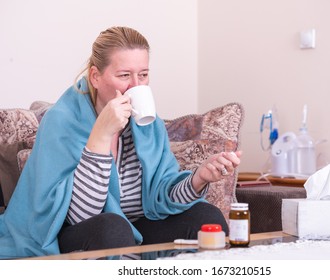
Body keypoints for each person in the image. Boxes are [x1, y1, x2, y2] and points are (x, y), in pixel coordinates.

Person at [0, 26, 241, 258]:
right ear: (95, 76)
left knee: (207, 218)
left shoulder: (148, 123)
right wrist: (101, 136)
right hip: (67, 235)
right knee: (113, 228)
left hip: (135, 228)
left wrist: (200, 177)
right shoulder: (61, 122)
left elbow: (161, 198)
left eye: (143, 75)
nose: (136, 86)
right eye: (124, 75)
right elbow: (81, 215)